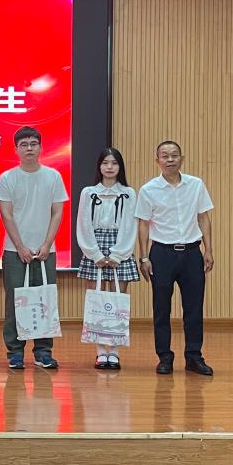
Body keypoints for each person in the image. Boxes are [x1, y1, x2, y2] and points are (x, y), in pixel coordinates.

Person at [136, 140, 215, 376]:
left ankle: (194, 357)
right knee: (161, 309)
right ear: (157, 160)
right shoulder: (148, 189)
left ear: (182, 158)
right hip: (162, 254)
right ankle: (164, 357)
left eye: (174, 155)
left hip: (192, 253)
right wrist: (143, 257)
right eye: (165, 156)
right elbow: (143, 224)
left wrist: (208, 250)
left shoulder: (196, 184)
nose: (170, 159)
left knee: (194, 308)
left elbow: (203, 218)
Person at [0, 126, 68, 370]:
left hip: (46, 252)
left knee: (44, 300)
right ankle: (15, 352)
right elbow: (6, 215)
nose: (29, 148)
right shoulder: (7, 178)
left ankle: (43, 352)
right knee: (15, 302)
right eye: (24, 144)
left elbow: (57, 212)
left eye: (33, 144)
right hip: (15, 251)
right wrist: (20, 246)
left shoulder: (53, 176)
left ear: (40, 147)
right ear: (16, 149)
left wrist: (46, 244)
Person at [76, 147, 140, 370]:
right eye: (105, 163)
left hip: (120, 248)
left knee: (117, 301)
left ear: (120, 167)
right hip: (93, 247)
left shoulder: (129, 193)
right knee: (96, 302)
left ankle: (114, 351)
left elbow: (130, 224)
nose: (109, 167)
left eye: (114, 163)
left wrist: (117, 254)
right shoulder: (88, 192)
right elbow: (83, 223)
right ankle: (100, 352)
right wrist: (94, 253)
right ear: (99, 166)